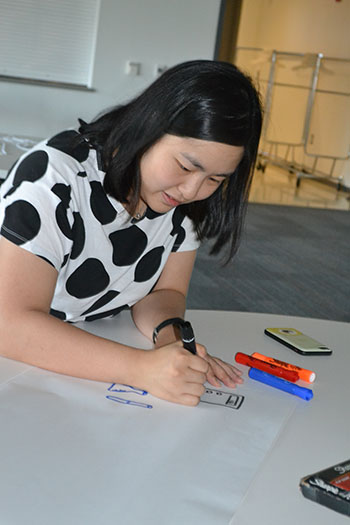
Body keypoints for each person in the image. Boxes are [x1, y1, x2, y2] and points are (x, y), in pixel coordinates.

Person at [0, 60, 262, 406]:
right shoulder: (56, 178)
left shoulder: (176, 201)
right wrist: (142, 368)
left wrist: (171, 340)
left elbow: (164, 292)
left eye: (215, 180)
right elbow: (9, 323)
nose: (192, 190)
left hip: (65, 364)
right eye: (185, 166)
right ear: (150, 127)